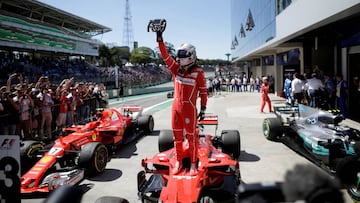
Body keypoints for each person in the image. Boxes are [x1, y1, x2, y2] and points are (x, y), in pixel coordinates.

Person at [151, 19, 208, 175]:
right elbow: (165, 56)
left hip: (190, 109)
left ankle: (194, 164)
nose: (178, 57)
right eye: (179, 54)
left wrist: (203, 108)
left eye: (182, 54)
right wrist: (159, 38)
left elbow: (203, 91)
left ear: (191, 56)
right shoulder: (176, 69)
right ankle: (179, 161)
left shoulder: (199, 72)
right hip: (175, 109)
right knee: (177, 137)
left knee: (192, 138)